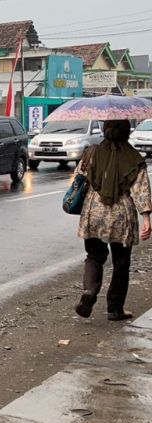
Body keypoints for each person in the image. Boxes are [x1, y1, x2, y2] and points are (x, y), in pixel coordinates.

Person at [74, 120, 152, 321]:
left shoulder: (92, 152)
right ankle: (115, 309)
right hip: (121, 213)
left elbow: (79, 176)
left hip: (94, 210)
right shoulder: (134, 158)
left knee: (93, 255)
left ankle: (89, 291)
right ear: (127, 133)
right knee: (121, 262)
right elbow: (141, 191)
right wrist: (146, 218)